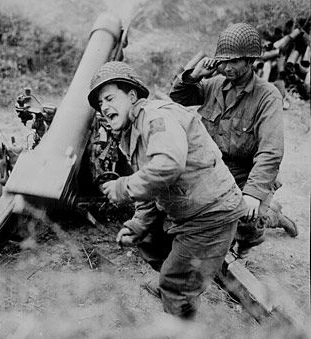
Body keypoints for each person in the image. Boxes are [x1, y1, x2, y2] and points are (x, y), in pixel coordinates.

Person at [88, 61, 247, 320]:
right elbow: (151, 187)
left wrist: (124, 186)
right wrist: (138, 224)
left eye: (109, 98)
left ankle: (179, 295)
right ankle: (182, 278)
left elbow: (168, 165)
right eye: (100, 104)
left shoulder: (155, 116)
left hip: (211, 214)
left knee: (175, 283)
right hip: (187, 211)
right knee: (148, 241)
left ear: (132, 95)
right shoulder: (131, 131)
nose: (104, 107)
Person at [169, 23, 298, 257]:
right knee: (181, 206)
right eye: (223, 61)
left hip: (245, 175)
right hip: (213, 170)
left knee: (249, 218)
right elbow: (178, 98)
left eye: (234, 62)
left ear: (250, 61)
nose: (226, 67)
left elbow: (271, 152)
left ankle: (269, 219)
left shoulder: (267, 96)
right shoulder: (214, 85)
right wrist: (194, 76)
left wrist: (253, 194)